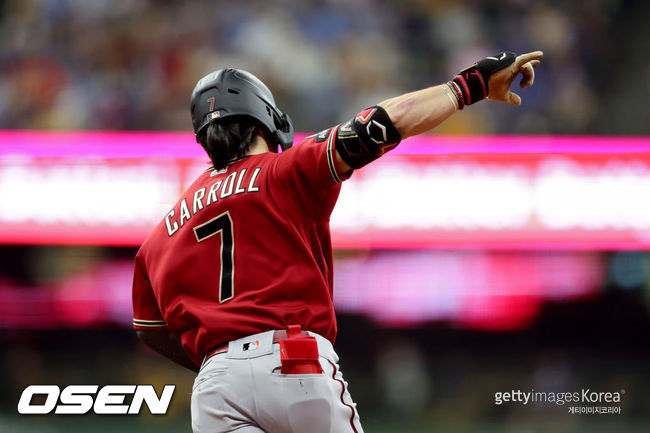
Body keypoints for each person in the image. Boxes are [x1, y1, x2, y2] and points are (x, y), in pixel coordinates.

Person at [132, 50, 543, 433]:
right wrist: (469, 85)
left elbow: (150, 329)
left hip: (215, 385)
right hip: (292, 361)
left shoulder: (160, 235)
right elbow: (387, 120)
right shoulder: (285, 169)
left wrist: (221, 360)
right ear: (266, 118)